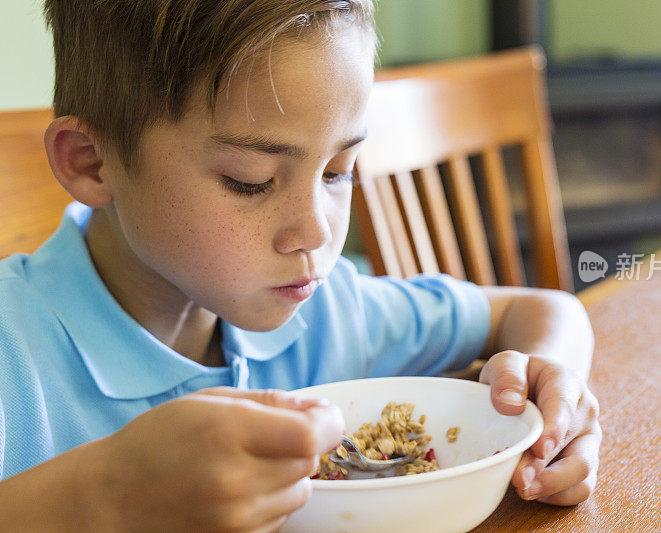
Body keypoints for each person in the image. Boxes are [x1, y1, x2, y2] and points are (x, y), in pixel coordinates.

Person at [0, 0, 601, 530]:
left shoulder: (328, 309)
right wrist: (101, 500)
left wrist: (553, 406)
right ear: (91, 162)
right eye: (250, 181)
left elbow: (544, 309)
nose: (317, 231)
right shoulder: (14, 355)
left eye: (338, 171)